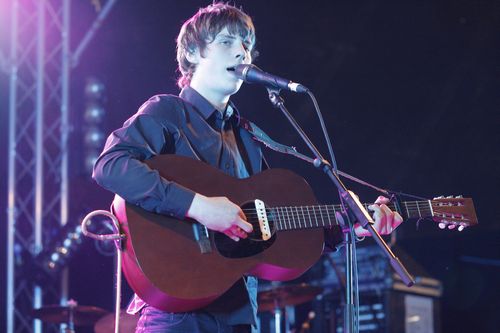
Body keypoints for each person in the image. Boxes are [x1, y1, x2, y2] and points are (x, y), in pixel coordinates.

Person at [92, 3, 403, 333]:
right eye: (227, 42)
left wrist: (350, 227)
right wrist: (199, 208)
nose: (241, 53)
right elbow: (110, 165)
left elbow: (274, 232)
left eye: (246, 45)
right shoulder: (169, 112)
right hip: (175, 315)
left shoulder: (248, 137)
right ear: (194, 52)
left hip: (239, 315)